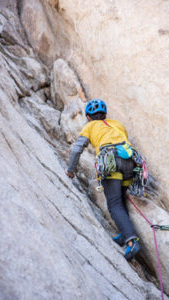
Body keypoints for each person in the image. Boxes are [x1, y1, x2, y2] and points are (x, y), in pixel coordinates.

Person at [66, 99, 141, 261]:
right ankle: (124, 233)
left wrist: (71, 170)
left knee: (114, 204)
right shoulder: (117, 124)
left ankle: (131, 242)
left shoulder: (89, 126)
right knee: (120, 199)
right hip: (129, 163)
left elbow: (78, 148)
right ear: (105, 115)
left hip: (110, 161)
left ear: (88, 117)